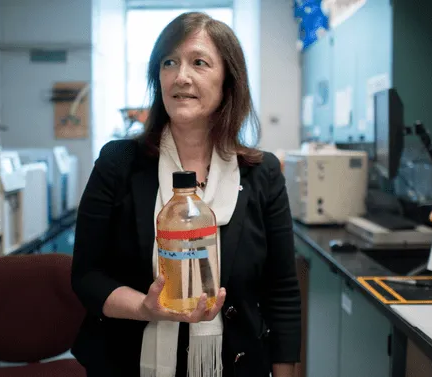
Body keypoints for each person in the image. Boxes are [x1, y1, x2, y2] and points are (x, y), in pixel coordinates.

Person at [71, 11, 301, 377]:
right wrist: (145, 308)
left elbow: (282, 289)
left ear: (228, 80)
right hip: (127, 362)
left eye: (199, 63)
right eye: (169, 63)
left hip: (237, 363)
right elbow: (86, 276)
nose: (181, 77)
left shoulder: (262, 173)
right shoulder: (119, 163)